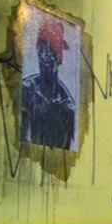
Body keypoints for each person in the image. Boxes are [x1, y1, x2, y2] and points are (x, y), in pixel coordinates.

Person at [20, 19, 76, 150]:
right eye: (41, 49)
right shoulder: (28, 89)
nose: (44, 56)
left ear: (58, 58)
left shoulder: (67, 106)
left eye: (49, 50)